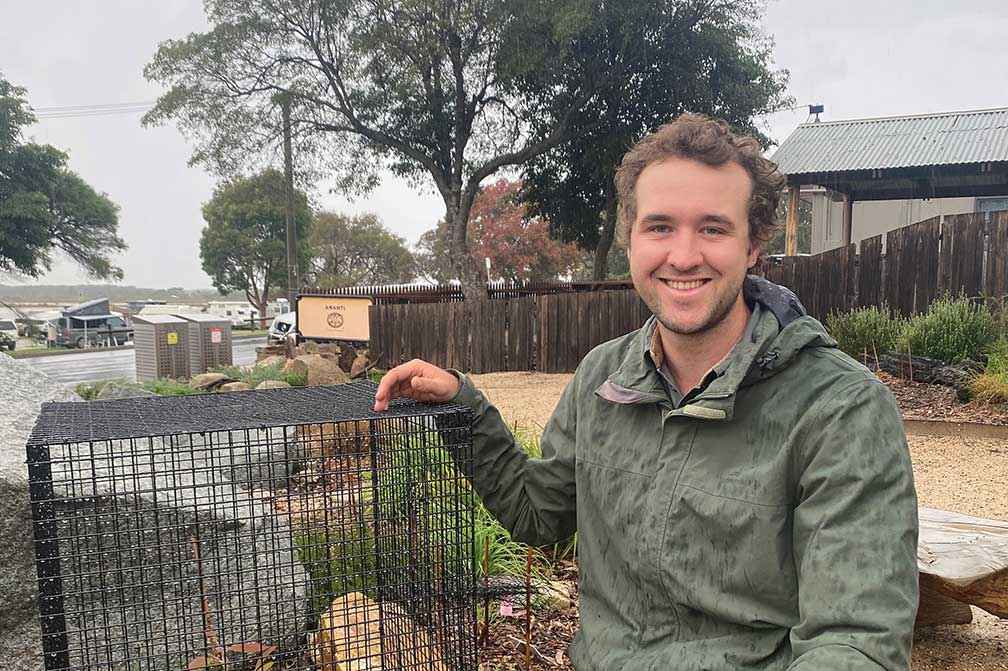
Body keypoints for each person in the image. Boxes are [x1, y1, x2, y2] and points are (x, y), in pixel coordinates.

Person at [374, 114, 918, 670]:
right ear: (630, 241)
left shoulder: (840, 409)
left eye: (712, 228)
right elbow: (540, 513)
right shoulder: (602, 378)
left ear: (753, 245)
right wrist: (462, 409)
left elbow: (855, 641)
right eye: (659, 227)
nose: (682, 256)